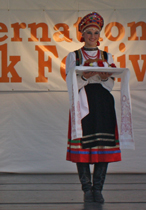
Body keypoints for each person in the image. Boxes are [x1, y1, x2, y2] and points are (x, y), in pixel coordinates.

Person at [65, 12, 120, 203]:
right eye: (89, 32)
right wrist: (86, 76)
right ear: (83, 34)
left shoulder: (107, 55)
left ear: (99, 35)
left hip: (103, 102)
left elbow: (111, 80)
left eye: (96, 33)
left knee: (103, 146)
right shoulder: (74, 56)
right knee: (83, 146)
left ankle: (98, 188)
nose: (93, 36)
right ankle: (87, 189)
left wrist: (105, 77)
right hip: (83, 101)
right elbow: (70, 82)